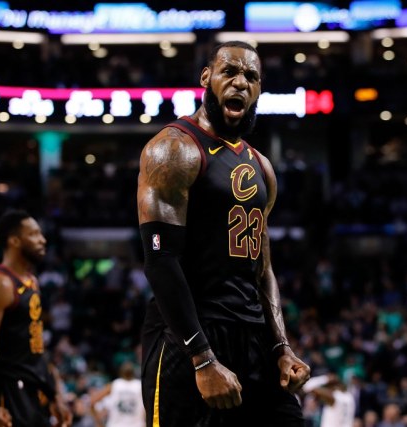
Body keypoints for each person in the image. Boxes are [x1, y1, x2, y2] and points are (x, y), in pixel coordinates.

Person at [136, 40, 311, 426]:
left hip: (253, 338)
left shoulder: (262, 167)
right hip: (189, 337)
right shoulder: (173, 149)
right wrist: (202, 357)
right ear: (206, 78)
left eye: (251, 76)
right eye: (229, 72)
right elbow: (160, 261)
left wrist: (281, 345)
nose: (240, 83)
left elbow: (262, 269)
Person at [0, 210, 72, 427]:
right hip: (9, 390)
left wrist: (53, 395)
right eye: (34, 234)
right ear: (15, 240)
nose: (42, 240)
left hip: (33, 388)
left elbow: (36, 348)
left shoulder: (31, 282)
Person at [90, 361, 144, 427]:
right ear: (133, 373)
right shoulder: (140, 386)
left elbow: (92, 401)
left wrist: (99, 423)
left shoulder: (114, 385)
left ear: (120, 372)